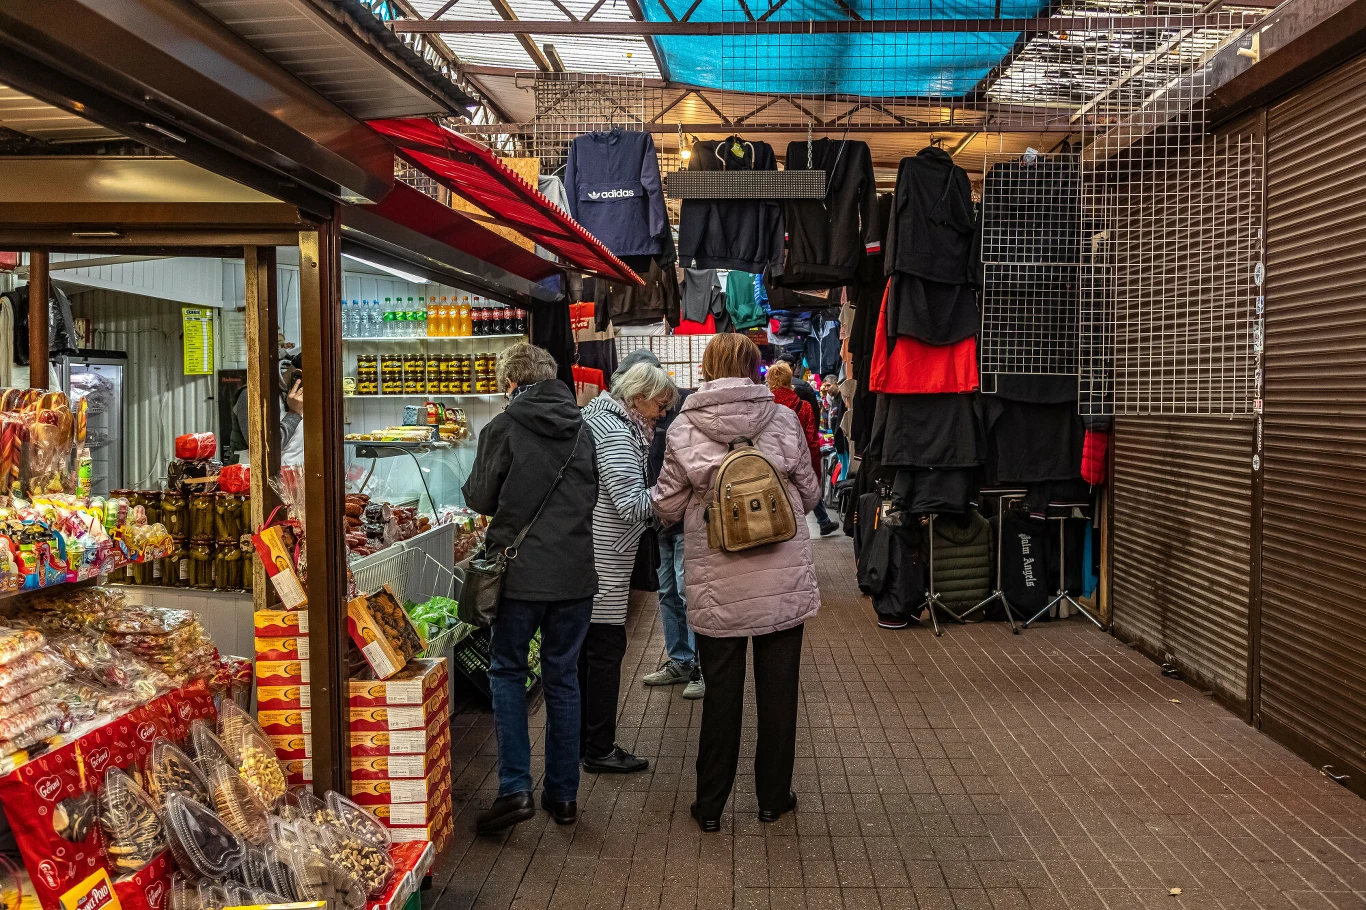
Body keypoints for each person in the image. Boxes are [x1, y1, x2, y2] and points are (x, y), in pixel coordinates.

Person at [651, 334, 822, 832]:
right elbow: (809, 493)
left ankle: (710, 806)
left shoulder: (684, 425)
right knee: (779, 693)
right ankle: (772, 799)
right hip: (782, 579)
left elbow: (665, 504)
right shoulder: (784, 418)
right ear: (754, 367)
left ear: (705, 367)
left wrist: (704, 504)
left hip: (715, 582)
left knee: (721, 695)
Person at [461, 343, 599, 834]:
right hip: (576, 576)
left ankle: (514, 788)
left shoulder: (503, 427)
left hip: (518, 578)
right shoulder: (584, 429)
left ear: (512, 384)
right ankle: (563, 796)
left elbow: (480, 497)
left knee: (507, 673)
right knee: (564, 679)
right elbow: (593, 495)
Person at [579, 358, 678, 774]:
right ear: (636, 398)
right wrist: (672, 493)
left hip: (588, 551)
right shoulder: (619, 435)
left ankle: (585, 741)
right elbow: (632, 504)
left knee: (589, 652)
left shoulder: (595, 417)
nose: (662, 413)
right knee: (604, 650)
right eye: (658, 405)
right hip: (604, 556)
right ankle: (598, 747)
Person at [641, 358, 702, 700]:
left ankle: (700, 666)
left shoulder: (684, 416)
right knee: (668, 593)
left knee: (686, 592)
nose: (658, 412)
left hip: (683, 522)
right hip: (659, 522)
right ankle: (681, 660)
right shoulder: (643, 420)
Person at [776, 353, 838, 536]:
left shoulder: (765, 396)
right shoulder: (803, 393)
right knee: (806, 484)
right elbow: (813, 422)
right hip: (800, 447)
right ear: (794, 367)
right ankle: (821, 521)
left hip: (776, 450)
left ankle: (816, 521)